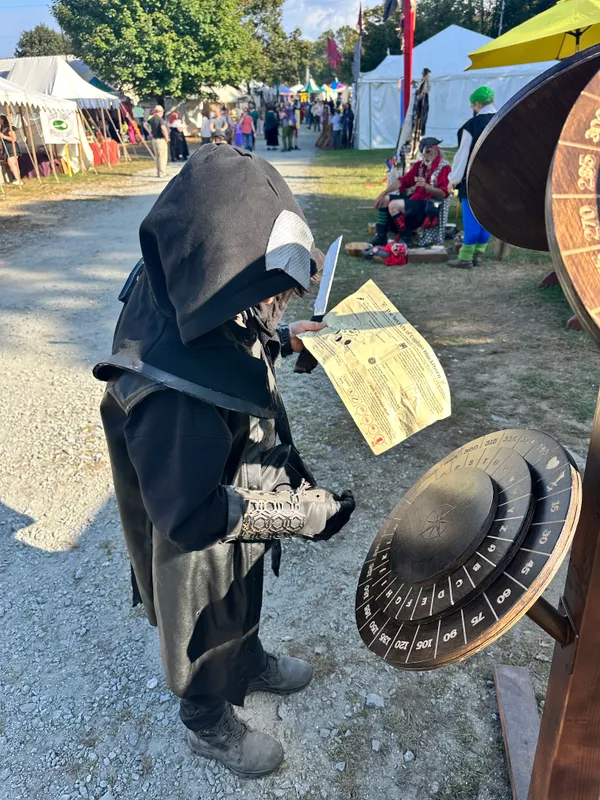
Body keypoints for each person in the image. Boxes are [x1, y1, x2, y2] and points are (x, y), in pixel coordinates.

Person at [93, 144, 355, 778]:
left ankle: (248, 654)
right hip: (195, 510)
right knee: (203, 600)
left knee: (243, 582)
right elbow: (190, 515)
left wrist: (282, 338)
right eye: (274, 296)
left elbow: (223, 324)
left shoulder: (189, 277)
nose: (280, 304)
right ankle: (206, 720)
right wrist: (299, 514)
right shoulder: (171, 396)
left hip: (230, 471)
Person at [448, 87, 498, 269]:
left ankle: (465, 258)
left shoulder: (471, 126)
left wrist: (453, 179)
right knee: (486, 219)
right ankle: (478, 256)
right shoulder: (503, 120)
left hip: (473, 181)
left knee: (471, 220)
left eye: (472, 105)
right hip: (495, 181)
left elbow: (462, 156)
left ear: (477, 104)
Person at [370, 137, 451, 245]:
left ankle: (406, 238)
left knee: (394, 205)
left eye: (428, 152)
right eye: (423, 153)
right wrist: (384, 192)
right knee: (385, 199)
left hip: (430, 205)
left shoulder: (444, 167)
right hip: (416, 201)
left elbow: (443, 194)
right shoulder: (420, 166)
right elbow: (403, 181)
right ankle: (381, 236)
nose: (425, 156)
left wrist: (426, 186)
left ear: (437, 150)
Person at [0, 114, 23, 185]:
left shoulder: (9, 128)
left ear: (3, 119)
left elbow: (14, 139)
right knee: (13, 164)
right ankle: (18, 179)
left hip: (12, 147)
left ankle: (18, 180)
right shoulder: (1, 129)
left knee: (12, 163)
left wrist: (4, 137)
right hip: (6, 147)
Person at [148, 105, 169, 178]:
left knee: (157, 156)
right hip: (161, 139)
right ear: (161, 112)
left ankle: (158, 172)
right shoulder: (160, 119)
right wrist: (167, 137)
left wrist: (150, 132)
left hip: (154, 139)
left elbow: (145, 124)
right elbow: (163, 128)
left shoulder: (152, 119)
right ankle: (162, 173)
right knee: (162, 157)